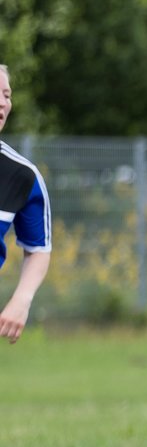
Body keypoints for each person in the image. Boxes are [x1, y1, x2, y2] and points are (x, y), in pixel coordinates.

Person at [0, 65, 52, 344]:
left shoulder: (22, 176)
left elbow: (38, 248)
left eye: (6, 95)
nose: (2, 102)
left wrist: (22, 299)